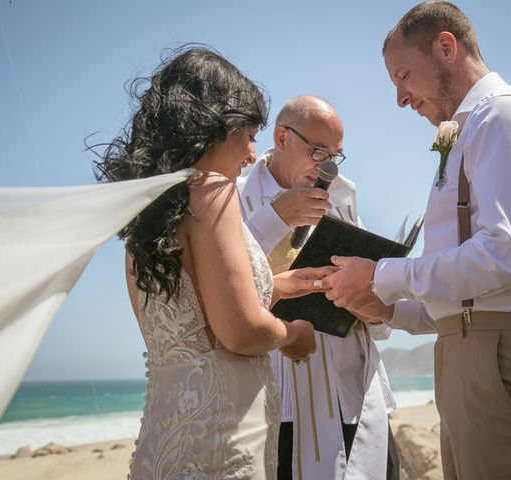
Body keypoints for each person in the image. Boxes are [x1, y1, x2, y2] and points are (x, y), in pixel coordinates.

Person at [321, 2, 511, 479]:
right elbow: (469, 296)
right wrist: (386, 308)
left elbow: (506, 256)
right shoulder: (470, 131)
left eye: (403, 76)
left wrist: (381, 276)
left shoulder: (507, 117)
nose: (400, 99)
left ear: (446, 47)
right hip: (476, 359)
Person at [94, 46, 325, 479]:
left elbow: (193, 313)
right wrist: (292, 335)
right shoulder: (213, 191)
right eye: (249, 134)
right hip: (223, 437)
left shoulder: (149, 210)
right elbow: (238, 330)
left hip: (166, 437)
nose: (253, 154)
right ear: (214, 126)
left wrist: (278, 287)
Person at [237, 95, 398, 480]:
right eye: (318, 151)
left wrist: (366, 299)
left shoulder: (342, 197)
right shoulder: (235, 194)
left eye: (336, 155)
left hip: (353, 394)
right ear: (281, 138)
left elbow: (379, 315)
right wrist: (277, 218)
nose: (327, 166)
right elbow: (226, 285)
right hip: (281, 403)